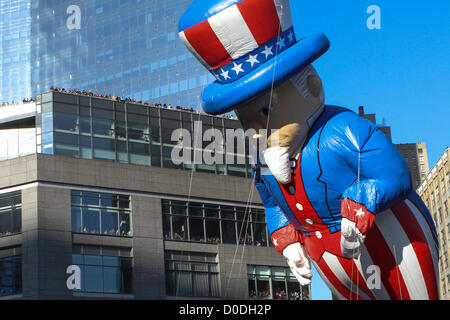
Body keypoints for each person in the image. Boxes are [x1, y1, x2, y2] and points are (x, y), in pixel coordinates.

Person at [178, 0, 439, 300]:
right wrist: (287, 239)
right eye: (245, 118)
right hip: (328, 259)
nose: (256, 129)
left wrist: (361, 201)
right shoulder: (261, 163)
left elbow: (395, 175)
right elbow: (274, 205)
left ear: (312, 85)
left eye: (264, 111)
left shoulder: (343, 130)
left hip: (393, 243)